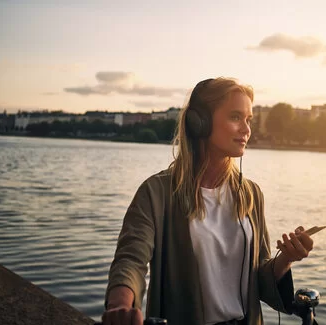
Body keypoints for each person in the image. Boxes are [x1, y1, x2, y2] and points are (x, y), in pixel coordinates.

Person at [102, 77, 315, 325]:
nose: (246, 129)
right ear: (199, 122)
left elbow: (260, 277)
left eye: (249, 120)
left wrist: (286, 258)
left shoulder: (251, 194)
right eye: (235, 117)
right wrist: (120, 305)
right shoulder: (156, 193)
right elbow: (131, 260)